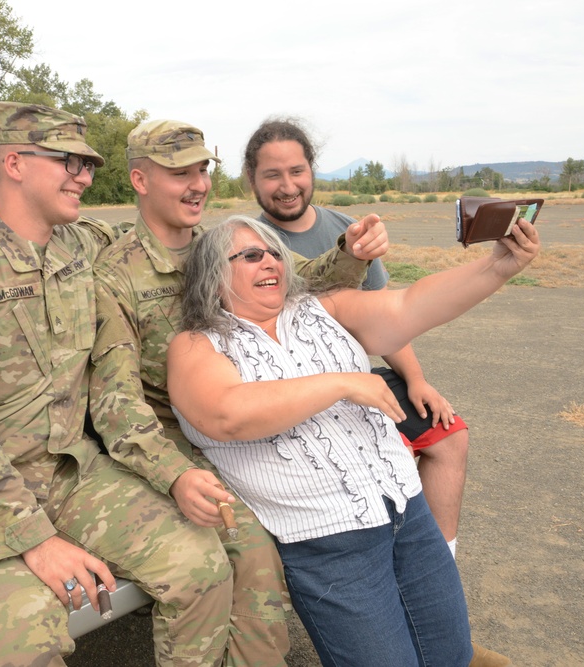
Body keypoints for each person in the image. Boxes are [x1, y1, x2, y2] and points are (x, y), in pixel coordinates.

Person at [0, 102, 234, 667]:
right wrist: (35, 541)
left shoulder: (82, 248)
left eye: (90, 164)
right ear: (16, 164)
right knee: (24, 641)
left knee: (202, 568)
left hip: (70, 473)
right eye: (69, 161)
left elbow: (163, 246)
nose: (86, 176)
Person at [166, 215, 540, 667]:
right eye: (250, 255)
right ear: (213, 274)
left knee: (452, 656)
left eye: (274, 253)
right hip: (331, 548)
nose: (270, 262)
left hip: (409, 513)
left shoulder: (322, 306)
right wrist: (341, 383)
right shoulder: (196, 346)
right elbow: (227, 413)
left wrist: (498, 266)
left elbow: (407, 308)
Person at [90, 119, 389, 667]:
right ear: (139, 179)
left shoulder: (225, 243)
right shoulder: (116, 277)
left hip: (247, 420)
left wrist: (352, 251)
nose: (198, 184)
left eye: (203, 169)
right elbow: (115, 401)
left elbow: (306, 280)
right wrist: (175, 475)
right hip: (178, 439)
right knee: (250, 557)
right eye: (180, 172)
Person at [243, 119, 469, 555]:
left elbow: (384, 319)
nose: (287, 185)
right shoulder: (249, 242)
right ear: (251, 178)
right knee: (374, 459)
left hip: (362, 376)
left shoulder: (348, 229)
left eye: (297, 171)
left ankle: (441, 559)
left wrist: (418, 380)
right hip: (298, 387)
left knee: (449, 434)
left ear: (312, 171)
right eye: (272, 174)